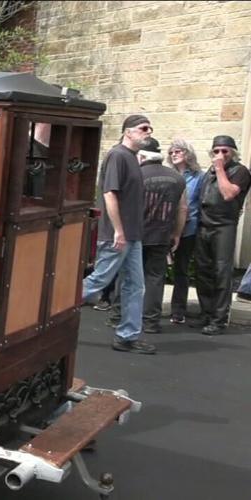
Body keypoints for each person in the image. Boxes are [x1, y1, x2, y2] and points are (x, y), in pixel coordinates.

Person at [81, 114, 155, 354]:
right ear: (128, 132)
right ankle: (49, 313)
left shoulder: (132, 158)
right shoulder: (118, 155)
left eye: (150, 129)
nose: (148, 132)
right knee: (98, 280)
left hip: (133, 235)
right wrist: (119, 232)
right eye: (144, 128)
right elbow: (109, 194)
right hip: (119, 235)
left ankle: (127, 336)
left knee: (135, 286)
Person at [107, 138, 185, 334]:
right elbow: (183, 208)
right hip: (161, 235)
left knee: (126, 276)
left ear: (142, 156)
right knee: (155, 278)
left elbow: (120, 203)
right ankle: (150, 322)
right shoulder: (177, 178)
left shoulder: (136, 175)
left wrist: (118, 230)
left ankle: (118, 316)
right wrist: (177, 233)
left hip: (135, 233)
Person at [193, 135, 251, 335]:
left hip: (224, 226)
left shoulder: (239, 171)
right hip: (204, 225)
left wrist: (219, 169)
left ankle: (218, 319)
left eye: (225, 151)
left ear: (233, 152)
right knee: (203, 272)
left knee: (221, 272)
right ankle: (206, 313)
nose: (220, 155)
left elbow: (228, 194)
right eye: (216, 151)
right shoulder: (208, 173)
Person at [165, 139, 203, 323]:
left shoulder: (198, 177)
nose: (174, 154)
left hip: (189, 228)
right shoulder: (168, 175)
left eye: (178, 151)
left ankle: (178, 310)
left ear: (188, 153)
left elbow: (199, 204)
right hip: (165, 227)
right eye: (171, 152)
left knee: (181, 268)